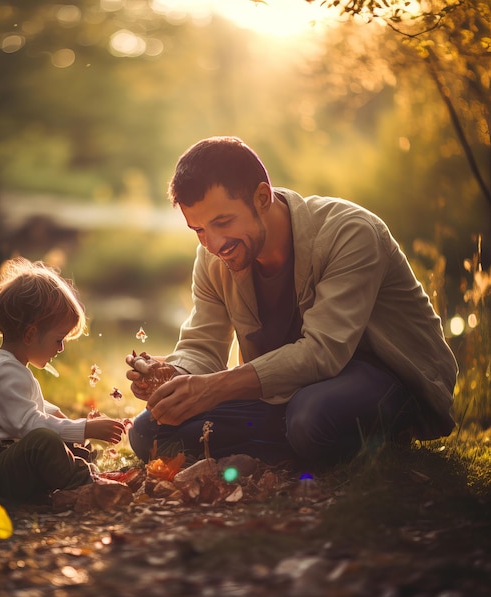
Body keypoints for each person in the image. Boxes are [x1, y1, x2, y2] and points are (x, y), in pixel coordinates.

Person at [127, 136, 458, 468]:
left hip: (380, 375)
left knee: (311, 418)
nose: (212, 243)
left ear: (261, 197)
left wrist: (214, 388)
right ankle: (298, 450)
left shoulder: (350, 232)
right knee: (150, 433)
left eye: (223, 222)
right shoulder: (214, 257)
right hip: (286, 390)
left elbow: (323, 353)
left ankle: (353, 439)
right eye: (198, 230)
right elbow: (203, 344)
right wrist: (175, 373)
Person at [0, 257, 125, 505]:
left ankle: (76, 468)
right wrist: (83, 428)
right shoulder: (0, 373)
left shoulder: (9, 366)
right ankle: (86, 482)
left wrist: (64, 421)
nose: (62, 348)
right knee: (43, 442)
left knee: (58, 439)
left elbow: (31, 407)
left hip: (3, 461)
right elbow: (29, 424)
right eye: (58, 339)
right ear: (31, 334)